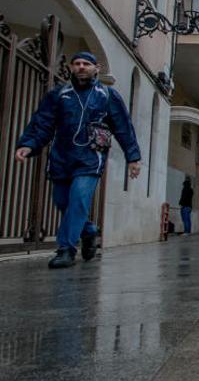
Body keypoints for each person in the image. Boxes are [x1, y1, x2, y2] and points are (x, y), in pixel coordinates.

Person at [15, 51, 142, 268]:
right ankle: (89, 230)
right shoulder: (59, 94)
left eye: (86, 64)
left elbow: (123, 128)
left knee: (79, 200)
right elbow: (42, 122)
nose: (81, 67)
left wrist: (133, 158)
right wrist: (28, 144)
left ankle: (66, 249)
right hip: (61, 157)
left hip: (90, 159)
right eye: (76, 63)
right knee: (63, 202)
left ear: (96, 68)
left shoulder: (107, 95)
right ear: (71, 68)